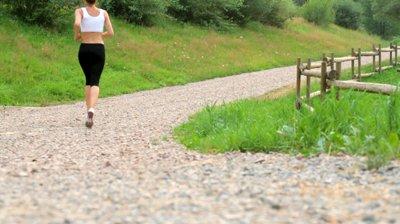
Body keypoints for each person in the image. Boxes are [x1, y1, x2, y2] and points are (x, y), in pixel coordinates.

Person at [73, 0, 114, 128]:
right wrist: (101, 34)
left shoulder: (80, 11)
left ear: (85, 0)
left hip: (85, 48)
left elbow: (77, 23)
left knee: (88, 80)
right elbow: (111, 33)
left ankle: (88, 111)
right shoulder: (104, 13)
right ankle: (91, 110)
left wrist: (77, 35)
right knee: (95, 81)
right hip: (98, 49)